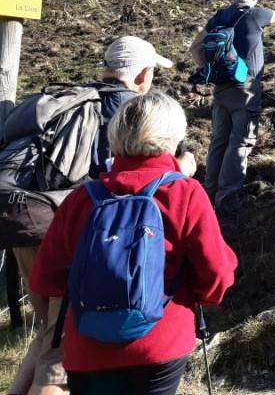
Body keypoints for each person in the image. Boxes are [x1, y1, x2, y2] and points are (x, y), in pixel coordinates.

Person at [7, 36, 190, 395]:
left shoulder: (71, 98)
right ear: (143, 73)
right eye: (151, 72)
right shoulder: (132, 113)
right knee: (59, 353)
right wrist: (180, 172)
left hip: (26, 217)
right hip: (74, 233)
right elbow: (133, 186)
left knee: (50, 333)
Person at [30, 91, 237, 395]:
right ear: (172, 139)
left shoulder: (80, 199)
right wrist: (197, 299)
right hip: (161, 342)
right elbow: (217, 273)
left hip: (87, 347)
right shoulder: (185, 193)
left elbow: (44, 280)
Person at [190, 0, 275, 213]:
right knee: (240, 141)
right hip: (246, 87)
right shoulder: (257, 14)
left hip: (220, 85)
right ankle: (226, 199)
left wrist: (209, 71)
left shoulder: (219, 16)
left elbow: (195, 47)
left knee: (218, 140)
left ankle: (210, 192)